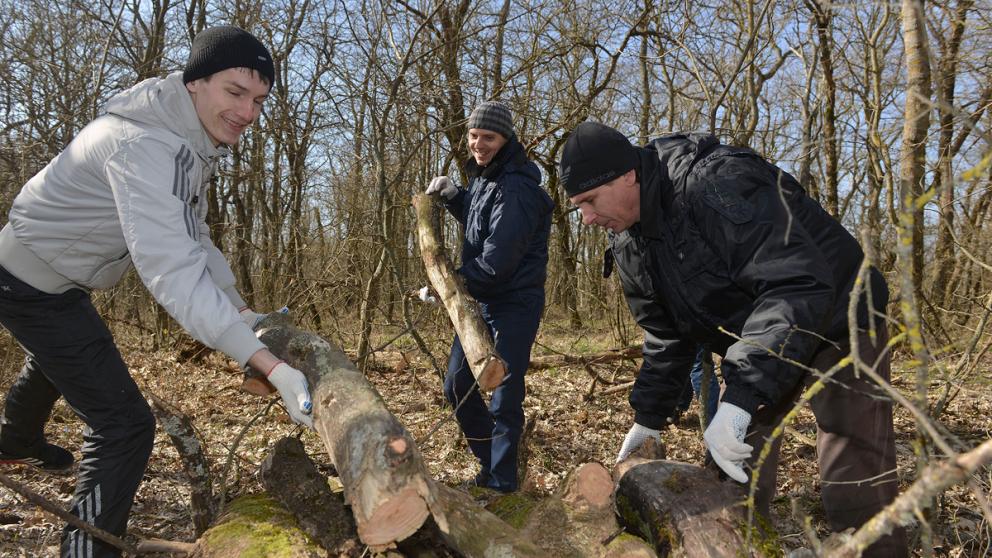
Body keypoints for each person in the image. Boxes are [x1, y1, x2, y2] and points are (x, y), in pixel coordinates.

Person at [0, 26, 313, 557]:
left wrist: (240, 307)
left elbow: (195, 236)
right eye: (234, 92)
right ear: (195, 83)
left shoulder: (186, 138)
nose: (248, 112)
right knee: (124, 425)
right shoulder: (145, 143)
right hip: (27, 284)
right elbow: (171, 267)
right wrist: (272, 366)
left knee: (63, 355)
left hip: (51, 279)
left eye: (258, 99)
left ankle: (13, 440)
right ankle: (86, 549)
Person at [560, 121, 906, 556]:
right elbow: (666, 333)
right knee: (731, 470)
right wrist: (648, 417)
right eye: (579, 207)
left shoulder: (714, 185)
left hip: (840, 316)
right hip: (760, 335)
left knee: (853, 465)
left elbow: (795, 284)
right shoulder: (628, 240)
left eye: (590, 201)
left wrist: (742, 395)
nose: (587, 218)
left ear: (627, 174)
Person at [423, 101, 553, 493]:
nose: (478, 144)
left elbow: (498, 260)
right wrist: (454, 198)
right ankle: (489, 464)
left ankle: (502, 483)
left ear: (506, 139)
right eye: (474, 136)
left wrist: (450, 285)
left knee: (504, 394)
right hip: (483, 300)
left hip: (514, 303)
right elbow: (483, 226)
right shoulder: (486, 178)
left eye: (489, 137)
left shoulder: (517, 188)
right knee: (457, 386)